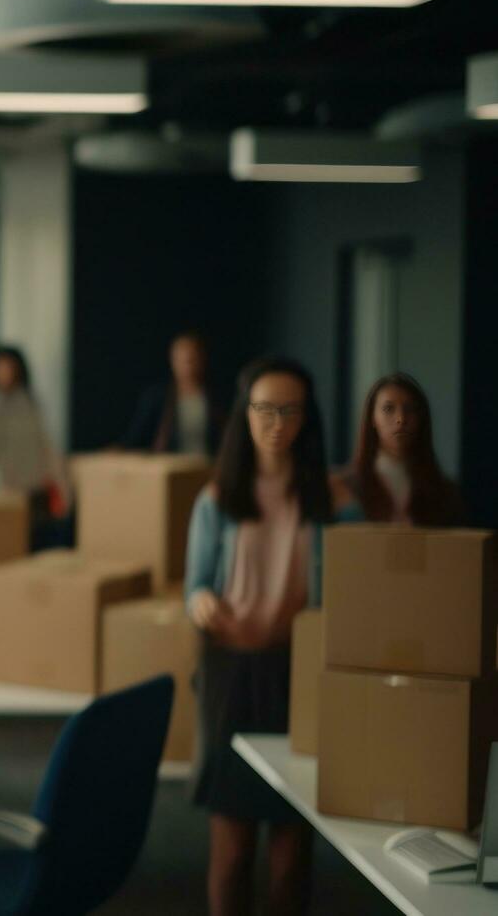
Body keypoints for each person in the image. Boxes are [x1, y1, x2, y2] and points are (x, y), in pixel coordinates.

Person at [184, 357, 357, 916]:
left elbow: (361, 581)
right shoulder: (218, 499)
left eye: (290, 410)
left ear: (307, 417)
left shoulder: (330, 500)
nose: (276, 421)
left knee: (290, 851)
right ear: (244, 415)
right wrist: (201, 602)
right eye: (264, 408)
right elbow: (194, 587)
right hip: (232, 674)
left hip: (299, 675)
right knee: (232, 849)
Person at [0, 345, 69, 534]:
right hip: (0, 495)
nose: (5, 373)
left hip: (33, 491)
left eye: (9, 367)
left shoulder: (29, 402)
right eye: (0, 367)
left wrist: (61, 486)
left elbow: (46, 445)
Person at [345, 372, 462, 526]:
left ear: (421, 418)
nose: (401, 419)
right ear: (372, 418)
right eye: (388, 409)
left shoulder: (445, 493)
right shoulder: (348, 487)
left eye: (410, 409)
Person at [121, 331, 225, 456]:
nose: (188, 366)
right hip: (171, 467)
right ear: (172, 361)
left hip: (207, 467)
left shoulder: (216, 397)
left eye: (193, 359)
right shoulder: (157, 397)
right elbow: (137, 435)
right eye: (183, 360)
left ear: (202, 359)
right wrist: (120, 448)